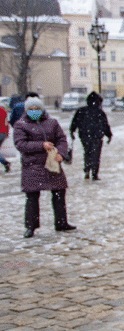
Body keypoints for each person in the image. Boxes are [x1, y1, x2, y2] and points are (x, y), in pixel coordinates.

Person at [13, 97, 76, 238]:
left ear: (42, 109)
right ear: (26, 110)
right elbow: (20, 144)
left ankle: (61, 222)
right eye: (31, 109)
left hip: (51, 164)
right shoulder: (20, 125)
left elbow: (61, 139)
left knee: (59, 193)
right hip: (32, 165)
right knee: (32, 196)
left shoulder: (52, 123)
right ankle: (30, 226)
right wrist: (41, 145)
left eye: (37, 109)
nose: (34, 111)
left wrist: (61, 153)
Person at [69, 91, 112, 181]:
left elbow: (74, 122)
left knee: (87, 152)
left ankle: (87, 170)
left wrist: (72, 131)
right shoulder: (100, 112)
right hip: (97, 136)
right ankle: (94, 173)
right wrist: (109, 135)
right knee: (96, 154)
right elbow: (105, 125)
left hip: (85, 136)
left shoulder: (81, 111)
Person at [0, 101, 10, 173]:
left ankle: (5, 162)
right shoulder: (3, 110)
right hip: (3, 133)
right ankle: (5, 162)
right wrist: (7, 133)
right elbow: (6, 122)